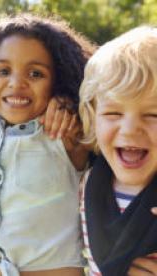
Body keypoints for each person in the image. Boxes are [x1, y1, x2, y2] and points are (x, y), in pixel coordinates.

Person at [0, 14, 95, 276]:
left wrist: (69, 105)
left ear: (58, 80)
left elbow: (100, 110)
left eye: (36, 73)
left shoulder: (65, 129)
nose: (16, 83)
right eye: (3, 71)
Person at [79, 26, 157, 276]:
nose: (131, 129)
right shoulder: (86, 183)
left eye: (153, 114)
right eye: (113, 113)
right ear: (92, 115)